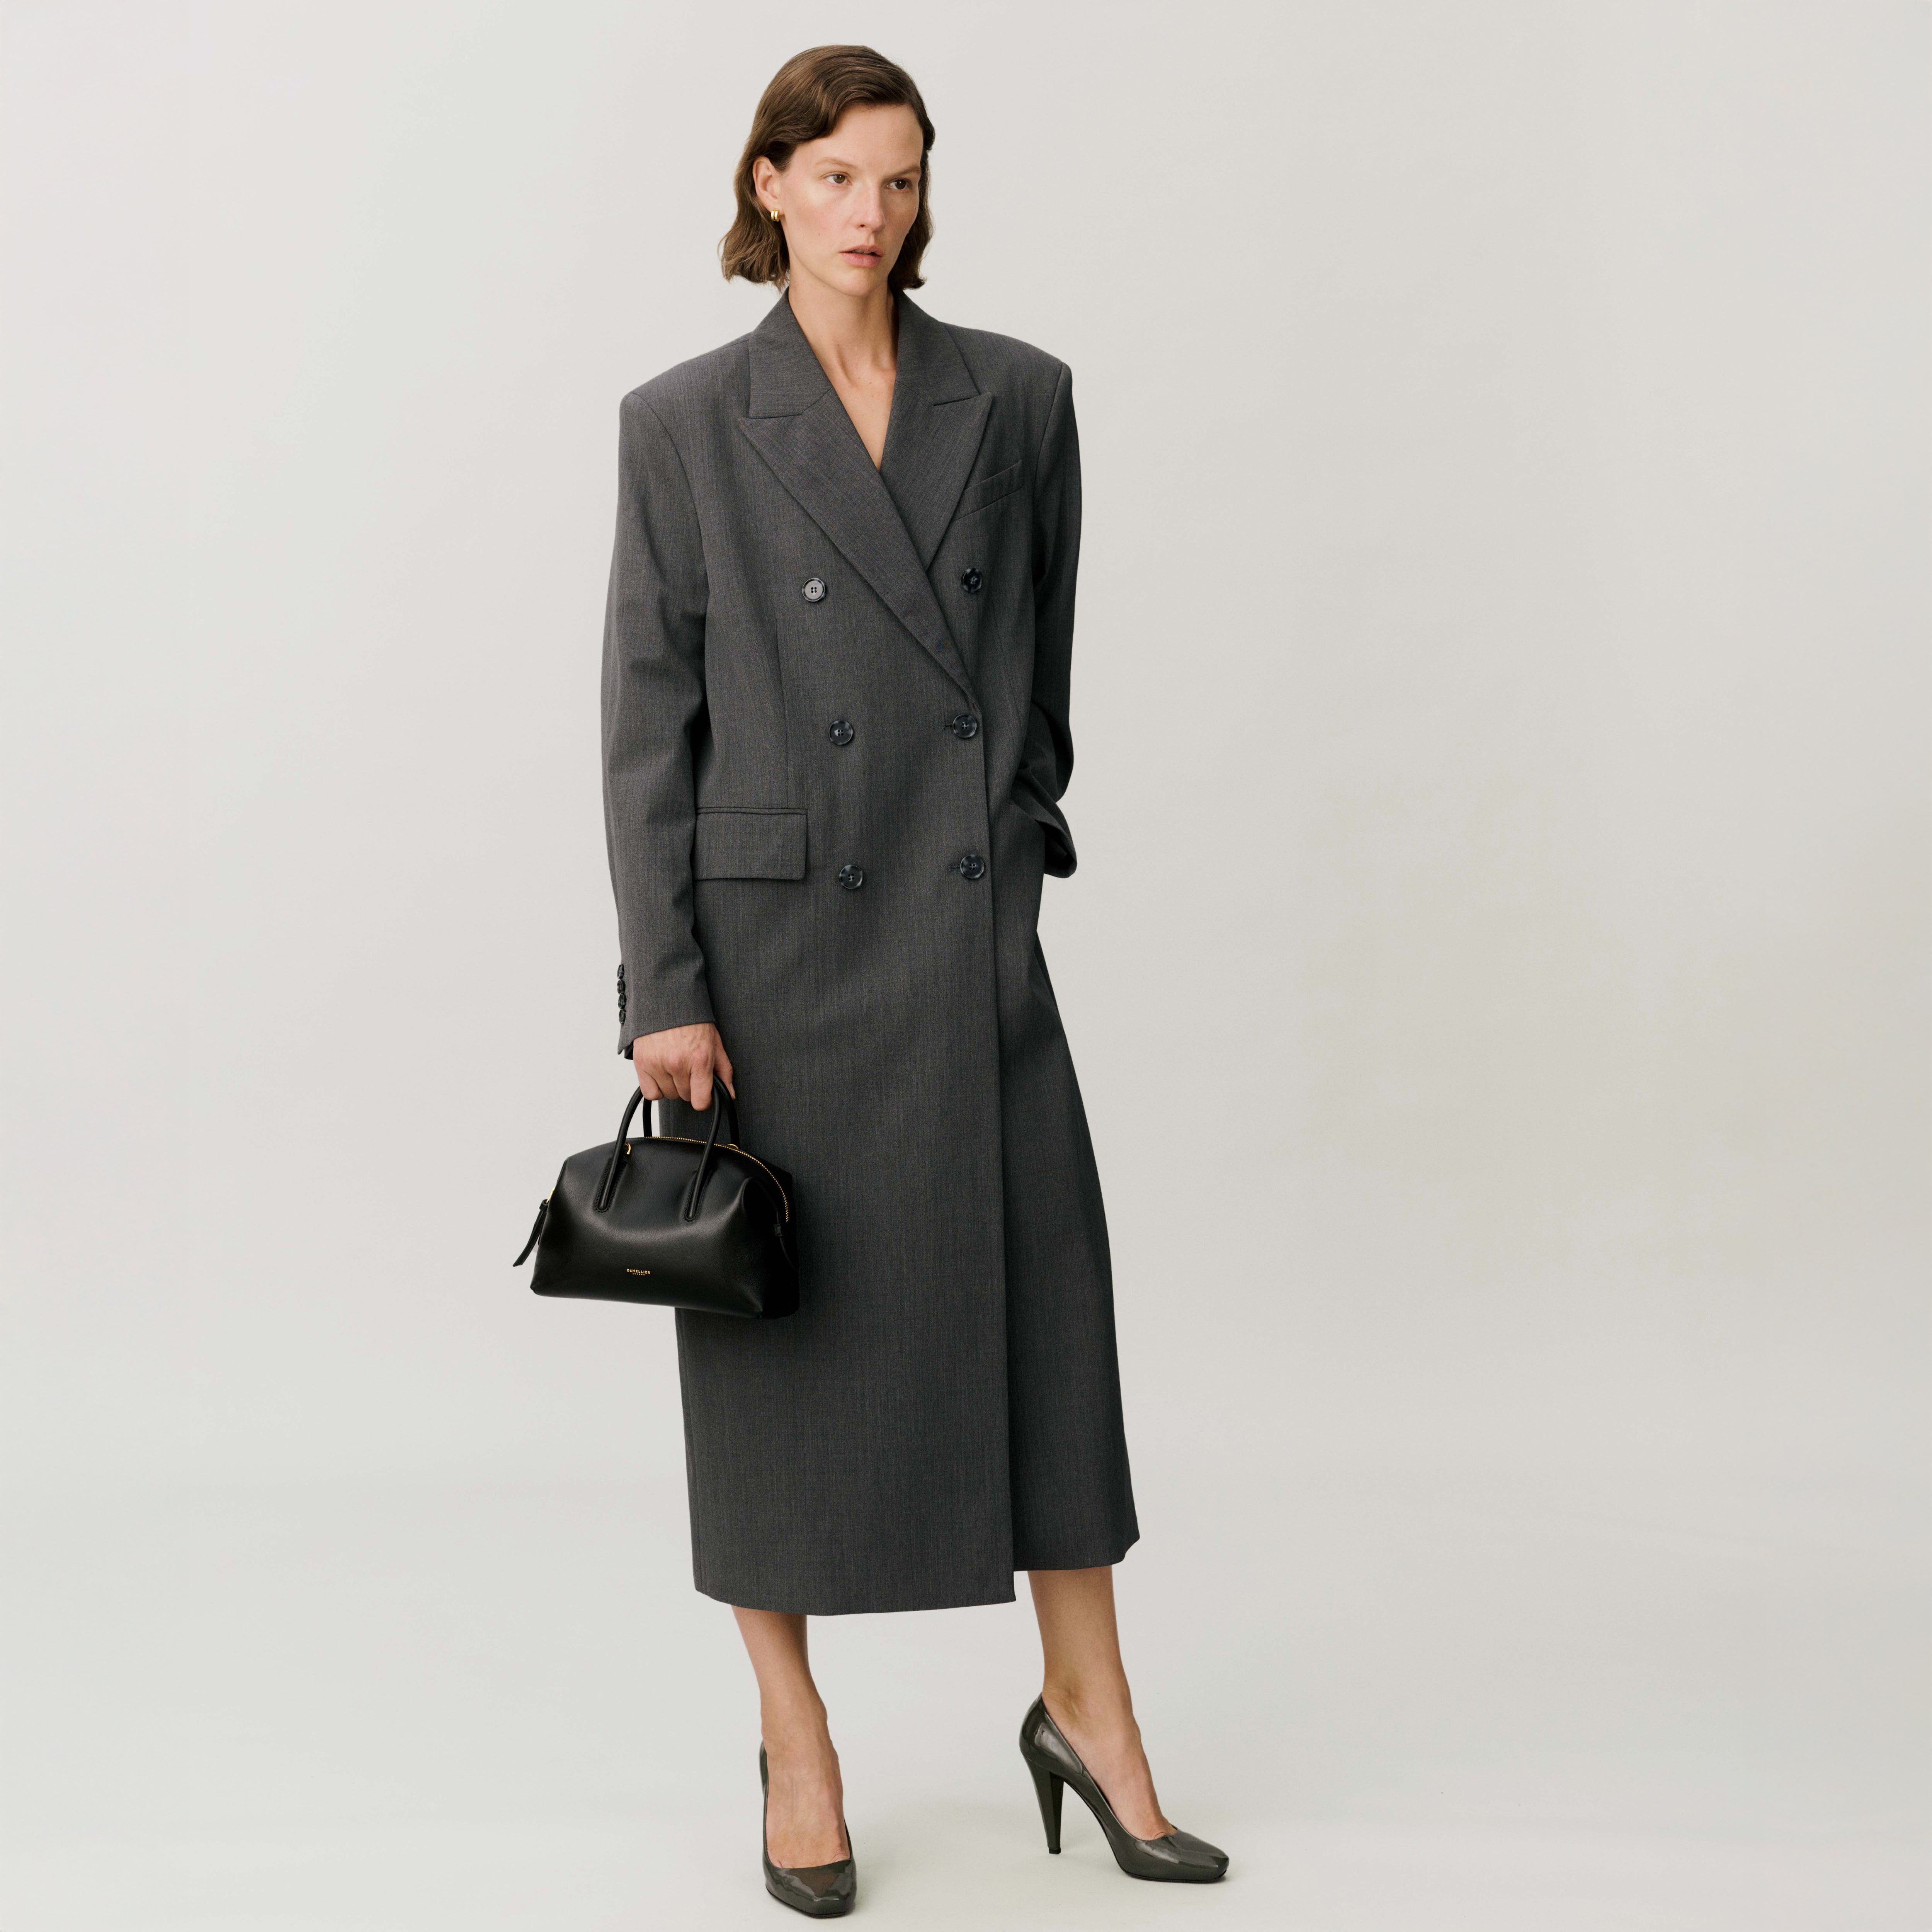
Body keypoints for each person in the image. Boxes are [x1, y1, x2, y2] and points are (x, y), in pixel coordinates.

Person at [599, 43, 1228, 1915]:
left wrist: (1008, 837)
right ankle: (793, 1736)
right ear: (769, 186)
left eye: (898, 178)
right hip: (775, 957)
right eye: (834, 176)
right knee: (774, 1341)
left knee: (1046, 1315)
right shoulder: (684, 421)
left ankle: (1090, 1708)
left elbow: (1041, 664)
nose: (868, 212)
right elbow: (646, 725)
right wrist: (663, 977)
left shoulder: (1014, 398)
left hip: (959, 937)